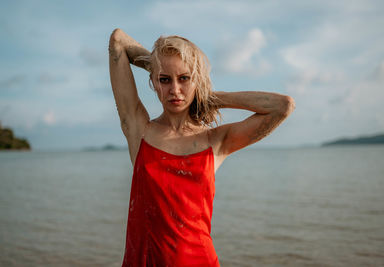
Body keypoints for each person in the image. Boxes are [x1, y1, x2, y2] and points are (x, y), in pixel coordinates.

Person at [108, 28, 295, 267]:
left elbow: (283, 106)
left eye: (184, 78)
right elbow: (118, 40)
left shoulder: (216, 141)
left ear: (197, 80)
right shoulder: (139, 130)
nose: (174, 90)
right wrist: (156, 66)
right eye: (165, 80)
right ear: (154, 83)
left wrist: (209, 96)